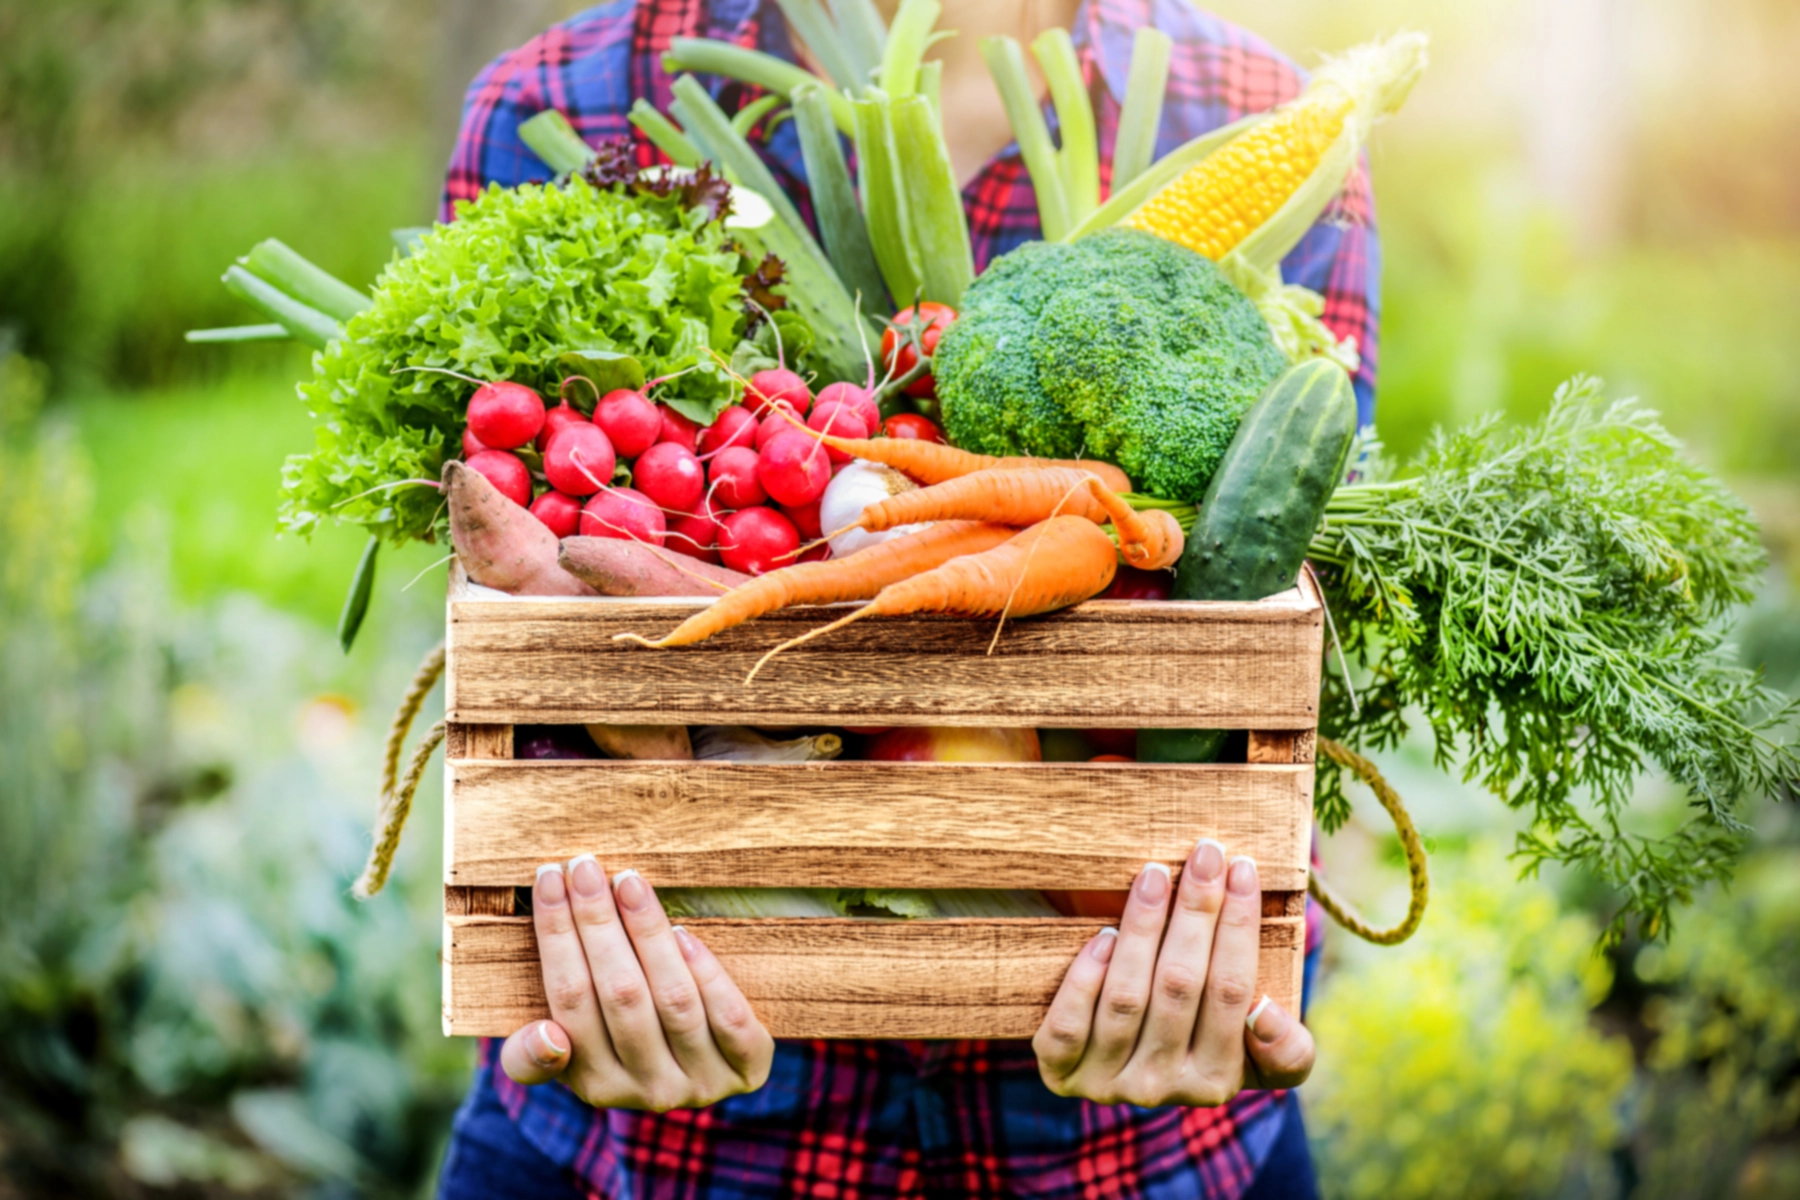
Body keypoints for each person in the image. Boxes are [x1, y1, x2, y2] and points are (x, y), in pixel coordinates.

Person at [437, 3, 1380, 1196]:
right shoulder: (555, 102)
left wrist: (1225, 953)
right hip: (644, 1153)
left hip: (1137, 1160)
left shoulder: (1267, 113)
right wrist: (571, 949)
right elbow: (506, 656)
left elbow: (1286, 633)